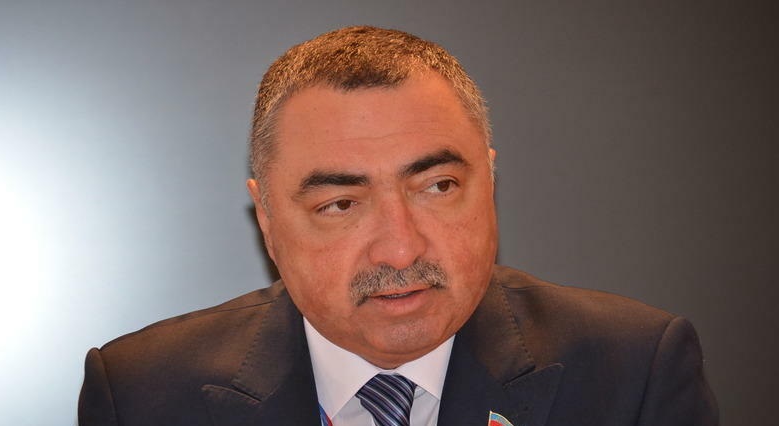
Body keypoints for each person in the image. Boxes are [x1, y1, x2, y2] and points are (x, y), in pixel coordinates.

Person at [78, 26, 718, 426]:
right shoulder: (141, 394)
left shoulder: (633, 372)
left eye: (438, 187)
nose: (401, 248)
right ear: (267, 219)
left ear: (489, 183)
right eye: (341, 204)